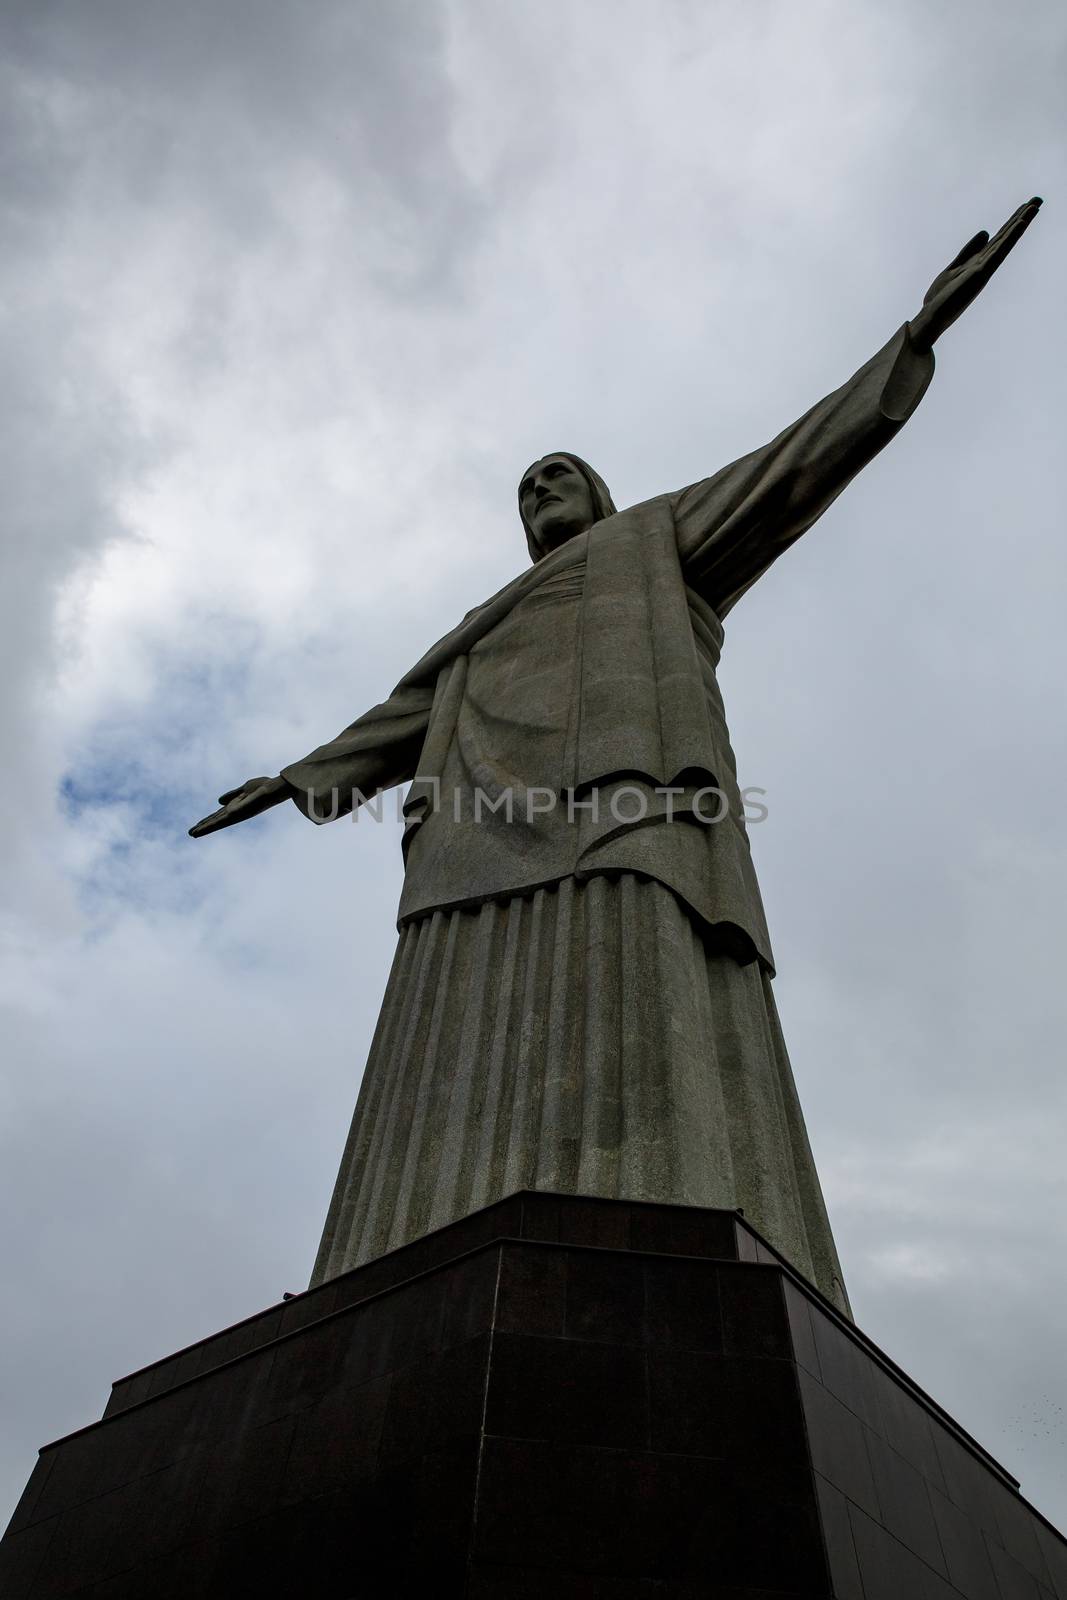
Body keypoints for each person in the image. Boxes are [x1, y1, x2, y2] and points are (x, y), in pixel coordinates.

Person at [192, 200, 1041, 1312]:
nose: (541, 491)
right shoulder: (479, 622)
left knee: (632, 978)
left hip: (624, 804)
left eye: (558, 474)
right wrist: (297, 779)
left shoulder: (657, 539)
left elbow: (788, 468)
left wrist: (910, 340)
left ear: (597, 493)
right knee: (442, 1025)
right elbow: (393, 719)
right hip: (467, 842)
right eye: (525, 487)